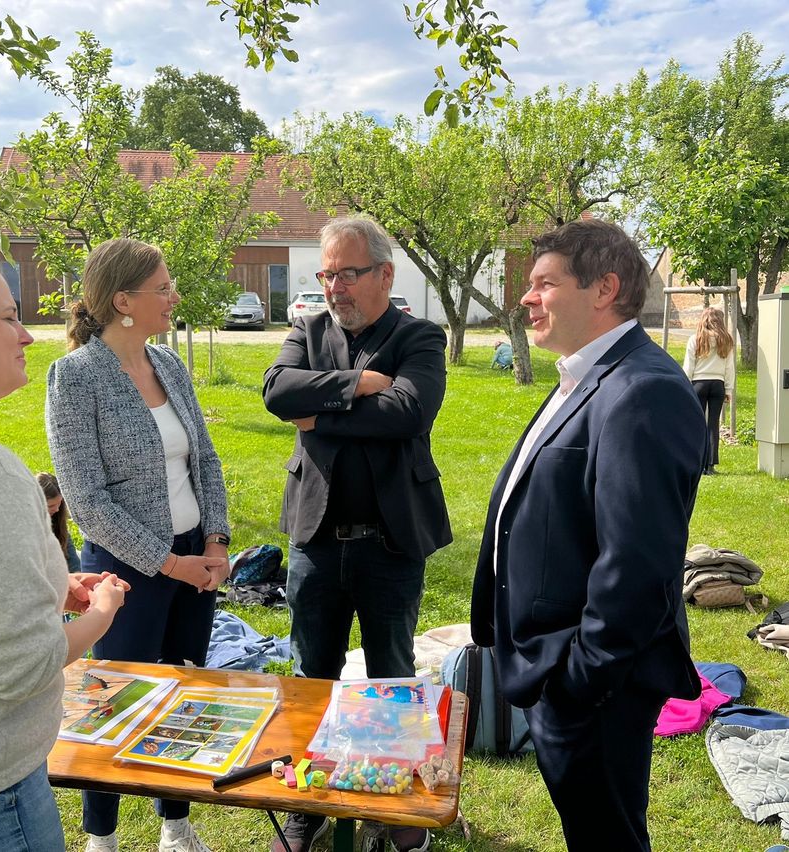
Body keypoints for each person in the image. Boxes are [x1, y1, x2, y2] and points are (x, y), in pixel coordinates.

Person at [470, 220, 708, 852]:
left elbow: (637, 564)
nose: (527, 298)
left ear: (605, 289)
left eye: (545, 283)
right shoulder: (589, 374)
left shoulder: (643, 391)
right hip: (562, 668)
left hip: (595, 683)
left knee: (607, 839)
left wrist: (581, 678)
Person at [263, 215, 451, 852]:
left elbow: (408, 412)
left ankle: (394, 807)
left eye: (348, 273)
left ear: (385, 274)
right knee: (308, 675)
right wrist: (356, 386)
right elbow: (277, 392)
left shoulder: (419, 336)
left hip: (389, 540)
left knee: (392, 676)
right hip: (316, 538)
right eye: (327, 274)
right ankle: (307, 803)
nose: (334, 287)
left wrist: (320, 415)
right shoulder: (307, 329)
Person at [0, 248, 127, 852]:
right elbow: (21, 669)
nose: (25, 335)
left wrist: (47, 586)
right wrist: (101, 614)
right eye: (7, 317)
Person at [45, 238, 231, 852]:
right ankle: (101, 836)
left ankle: (175, 825)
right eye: (164, 288)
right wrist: (171, 564)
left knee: (183, 694)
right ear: (123, 301)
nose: (174, 296)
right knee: (115, 702)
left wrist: (215, 543)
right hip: (125, 572)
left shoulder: (168, 364)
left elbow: (205, 459)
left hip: (195, 560)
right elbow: (87, 501)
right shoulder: (76, 376)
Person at [683, 306, 735, 475]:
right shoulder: (726, 340)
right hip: (718, 384)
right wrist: (728, 389)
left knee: (697, 423)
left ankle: (697, 462)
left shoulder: (696, 339)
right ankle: (711, 465)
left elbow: (689, 366)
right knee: (713, 424)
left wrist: (686, 385)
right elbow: (729, 367)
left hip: (698, 383)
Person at [37, 472, 81, 572]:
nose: (57, 509)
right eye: (51, 506)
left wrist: (77, 574)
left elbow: (70, 555)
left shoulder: (57, 518)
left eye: (59, 504)